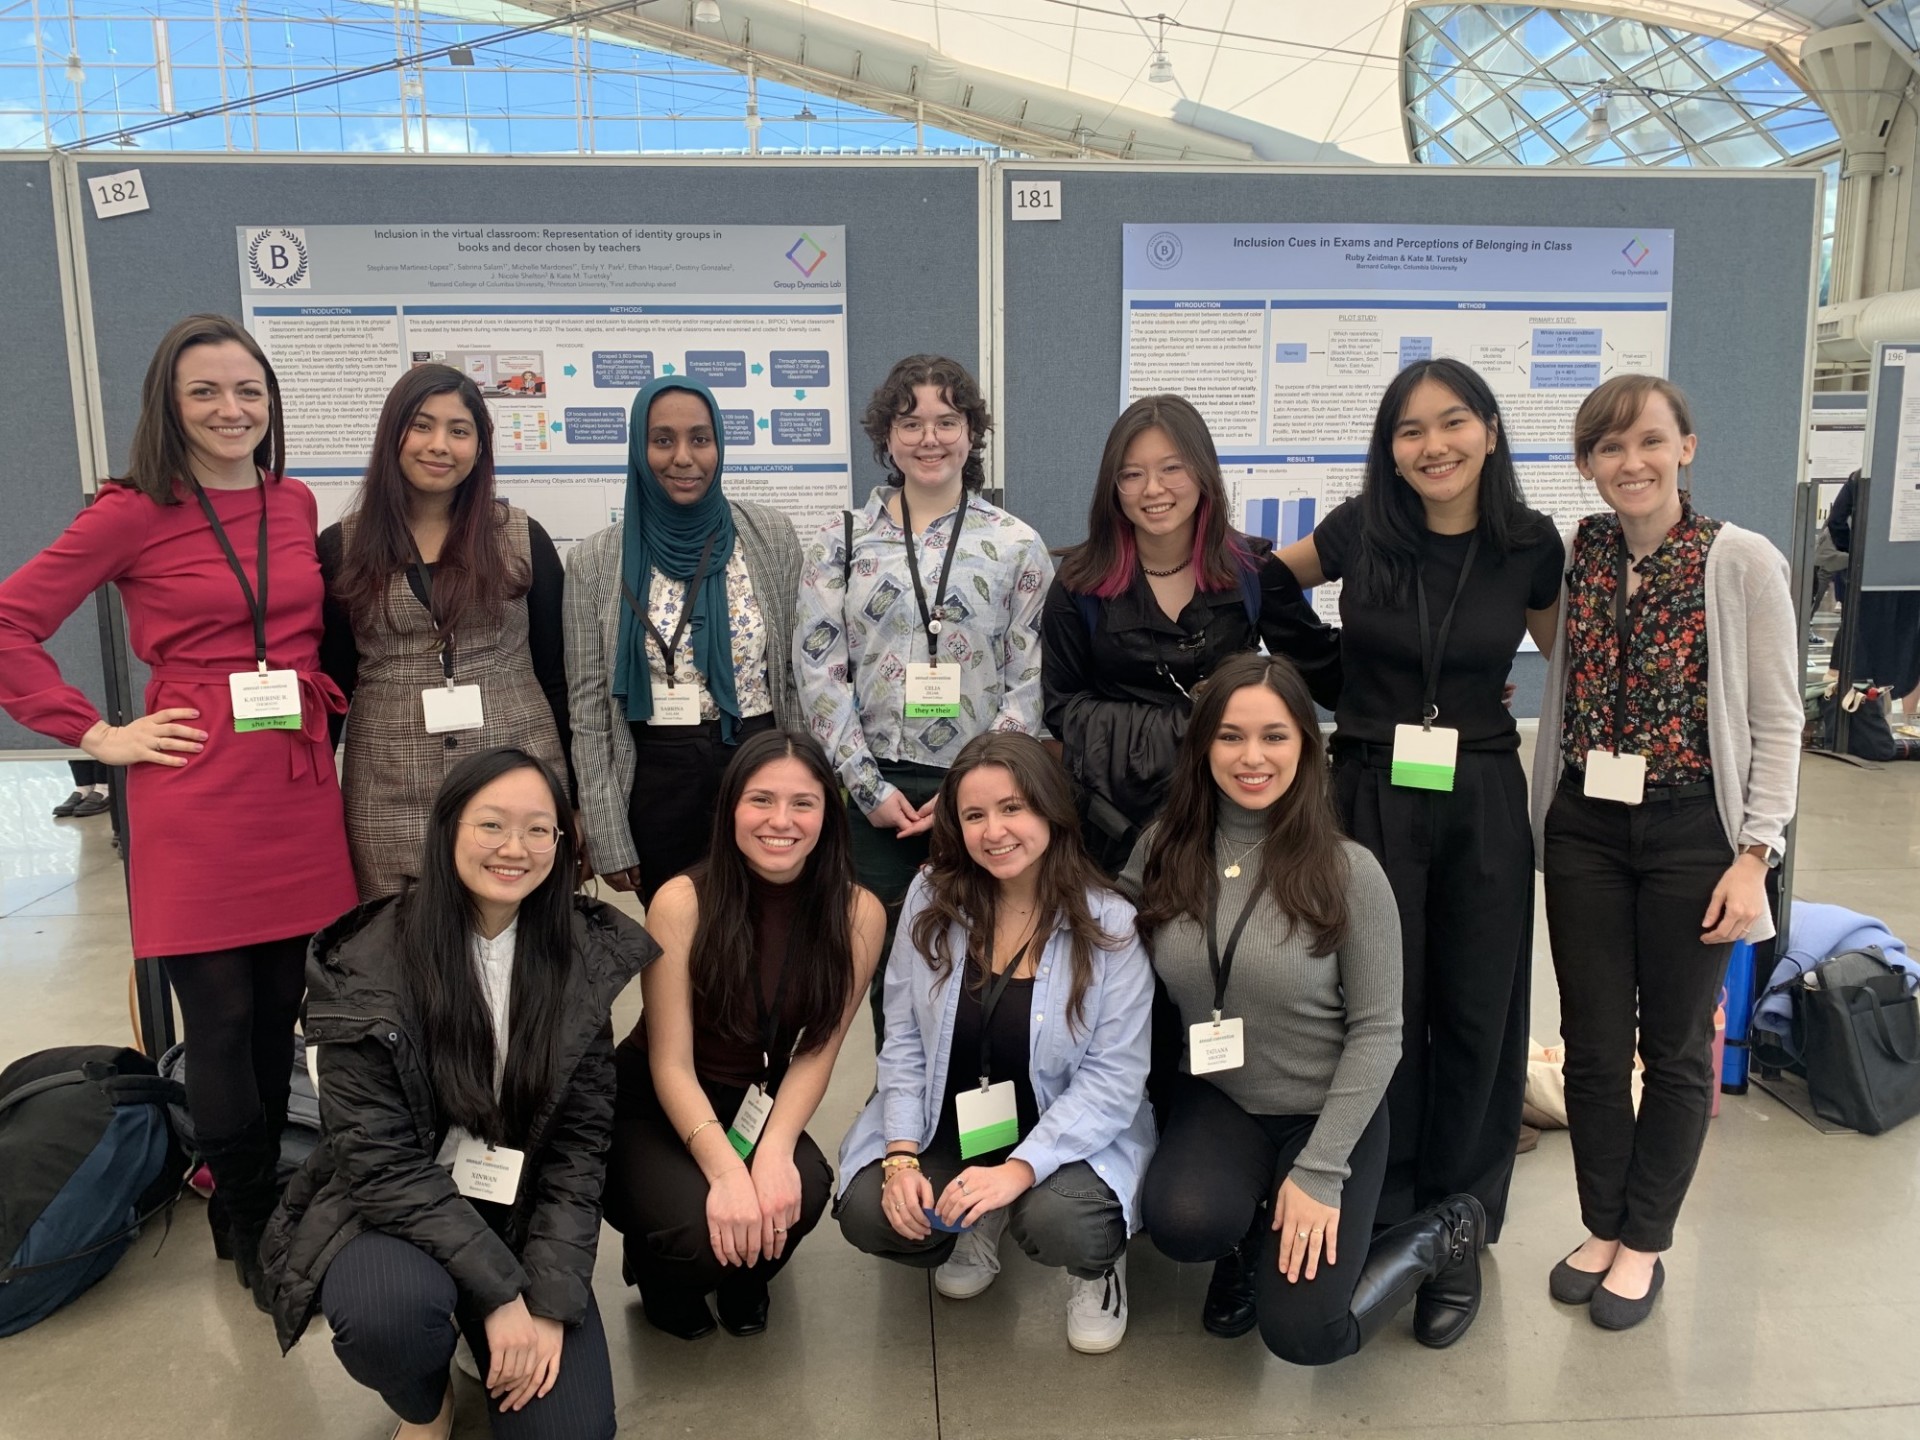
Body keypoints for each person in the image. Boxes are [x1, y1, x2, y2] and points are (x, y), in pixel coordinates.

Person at [0, 313, 357, 1303]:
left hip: (292, 782)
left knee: (284, 1011)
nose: (230, 408)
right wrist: (97, 732)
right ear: (169, 404)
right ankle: (243, 1219)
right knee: (220, 1015)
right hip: (194, 784)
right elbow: (9, 623)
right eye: (205, 391)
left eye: (248, 389)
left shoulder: (293, 502)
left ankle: (267, 1191)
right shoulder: (131, 513)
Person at [261, 748, 657, 1440]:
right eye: (492, 825)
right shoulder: (364, 963)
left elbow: (577, 1150)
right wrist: (502, 1296)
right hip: (389, 1212)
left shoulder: (580, 958)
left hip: (517, 1209)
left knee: (571, 1432)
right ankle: (427, 1396)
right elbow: (380, 1164)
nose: (516, 848)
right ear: (446, 830)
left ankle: (476, 1327)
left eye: (541, 830)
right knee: (387, 1318)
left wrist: (547, 1300)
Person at [1530, 375, 1800, 1329]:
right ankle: (1601, 1223)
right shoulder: (1581, 554)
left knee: (1676, 1047)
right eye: (1607, 448)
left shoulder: (1739, 560)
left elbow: (1777, 718)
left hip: (1696, 829)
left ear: (1686, 445)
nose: (1629, 463)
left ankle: (1646, 1239)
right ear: (1587, 466)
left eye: (1648, 441)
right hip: (1587, 830)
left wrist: (1754, 854)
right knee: (1594, 1046)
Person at [1125, 652, 1485, 1361]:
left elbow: (1381, 1033)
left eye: (1274, 736)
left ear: (1307, 747)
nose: (1250, 756)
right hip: (1220, 1095)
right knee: (1182, 1222)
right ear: (1201, 747)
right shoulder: (1163, 850)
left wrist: (1319, 1172)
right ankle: (1249, 1239)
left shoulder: (1351, 873)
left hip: (1328, 1110)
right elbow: (1095, 937)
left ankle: (1444, 1235)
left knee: (1307, 1335)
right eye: (1229, 736)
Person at [1276, 357, 1562, 1242]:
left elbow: (1572, 665)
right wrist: (1338, 680)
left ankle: (1460, 1225)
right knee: (1378, 1009)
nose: (1433, 445)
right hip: (1367, 786)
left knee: (1480, 1010)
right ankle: (1384, 1209)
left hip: (1477, 787)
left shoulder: (1531, 542)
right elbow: (1265, 588)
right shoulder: (1362, 529)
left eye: (1452, 422)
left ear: (1489, 429)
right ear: (1390, 450)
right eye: (1410, 429)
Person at [837, 732, 1155, 1354]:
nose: (994, 832)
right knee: (870, 1211)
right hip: (957, 1122)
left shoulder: (1108, 922)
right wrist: (901, 1156)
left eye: (1013, 808)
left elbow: (1113, 1082)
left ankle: (1097, 1270)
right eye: (974, 815)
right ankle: (974, 1214)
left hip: (1066, 1137)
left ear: (1050, 810)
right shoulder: (933, 895)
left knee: (1061, 1222)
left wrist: (1018, 1170)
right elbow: (900, 1036)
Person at [794, 354, 1053, 1030]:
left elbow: (1030, 680)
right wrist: (864, 786)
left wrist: (976, 787)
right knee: (887, 982)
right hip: (873, 798)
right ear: (887, 435)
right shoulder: (839, 542)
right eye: (911, 422)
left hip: (979, 796)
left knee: (987, 968)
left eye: (947, 420)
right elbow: (819, 672)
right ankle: (903, 1129)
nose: (929, 437)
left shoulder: (1017, 546)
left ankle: (980, 1121)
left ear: (973, 433)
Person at [602, 729, 882, 1339]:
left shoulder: (858, 913)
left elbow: (818, 1051)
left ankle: (744, 1274)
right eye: (760, 800)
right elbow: (670, 1063)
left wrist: (775, 1150)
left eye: (803, 803)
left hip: (757, 1102)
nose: (780, 820)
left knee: (801, 1187)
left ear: (828, 815)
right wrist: (729, 1173)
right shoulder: (681, 902)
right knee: (697, 1225)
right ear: (730, 808)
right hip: (659, 1102)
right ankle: (660, 1269)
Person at [1042, 393, 1339, 874]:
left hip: (1229, 808)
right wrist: (1190, 730)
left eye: (1172, 469)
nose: (1152, 489)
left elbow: (1324, 673)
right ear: (1113, 487)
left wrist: (1448, 682)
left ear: (1202, 472)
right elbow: (1062, 708)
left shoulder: (1251, 571)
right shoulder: (1080, 585)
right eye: (1131, 474)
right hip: (1115, 817)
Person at [320, 364, 571, 901]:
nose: (440, 445)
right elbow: (332, 690)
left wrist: (575, 804)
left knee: (516, 958)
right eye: (421, 426)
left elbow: (558, 677)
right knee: (399, 956)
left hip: (515, 784)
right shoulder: (342, 547)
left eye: (459, 431)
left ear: (479, 448)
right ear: (393, 436)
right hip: (388, 796)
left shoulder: (523, 538)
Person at [564, 375, 802, 903]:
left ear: (719, 444)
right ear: (638, 447)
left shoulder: (772, 536)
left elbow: (794, 678)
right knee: (681, 942)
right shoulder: (594, 560)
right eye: (662, 440)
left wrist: (814, 794)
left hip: (760, 761)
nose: (683, 457)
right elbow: (587, 709)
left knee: (773, 932)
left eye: (700, 438)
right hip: (657, 778)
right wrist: (608, 833)